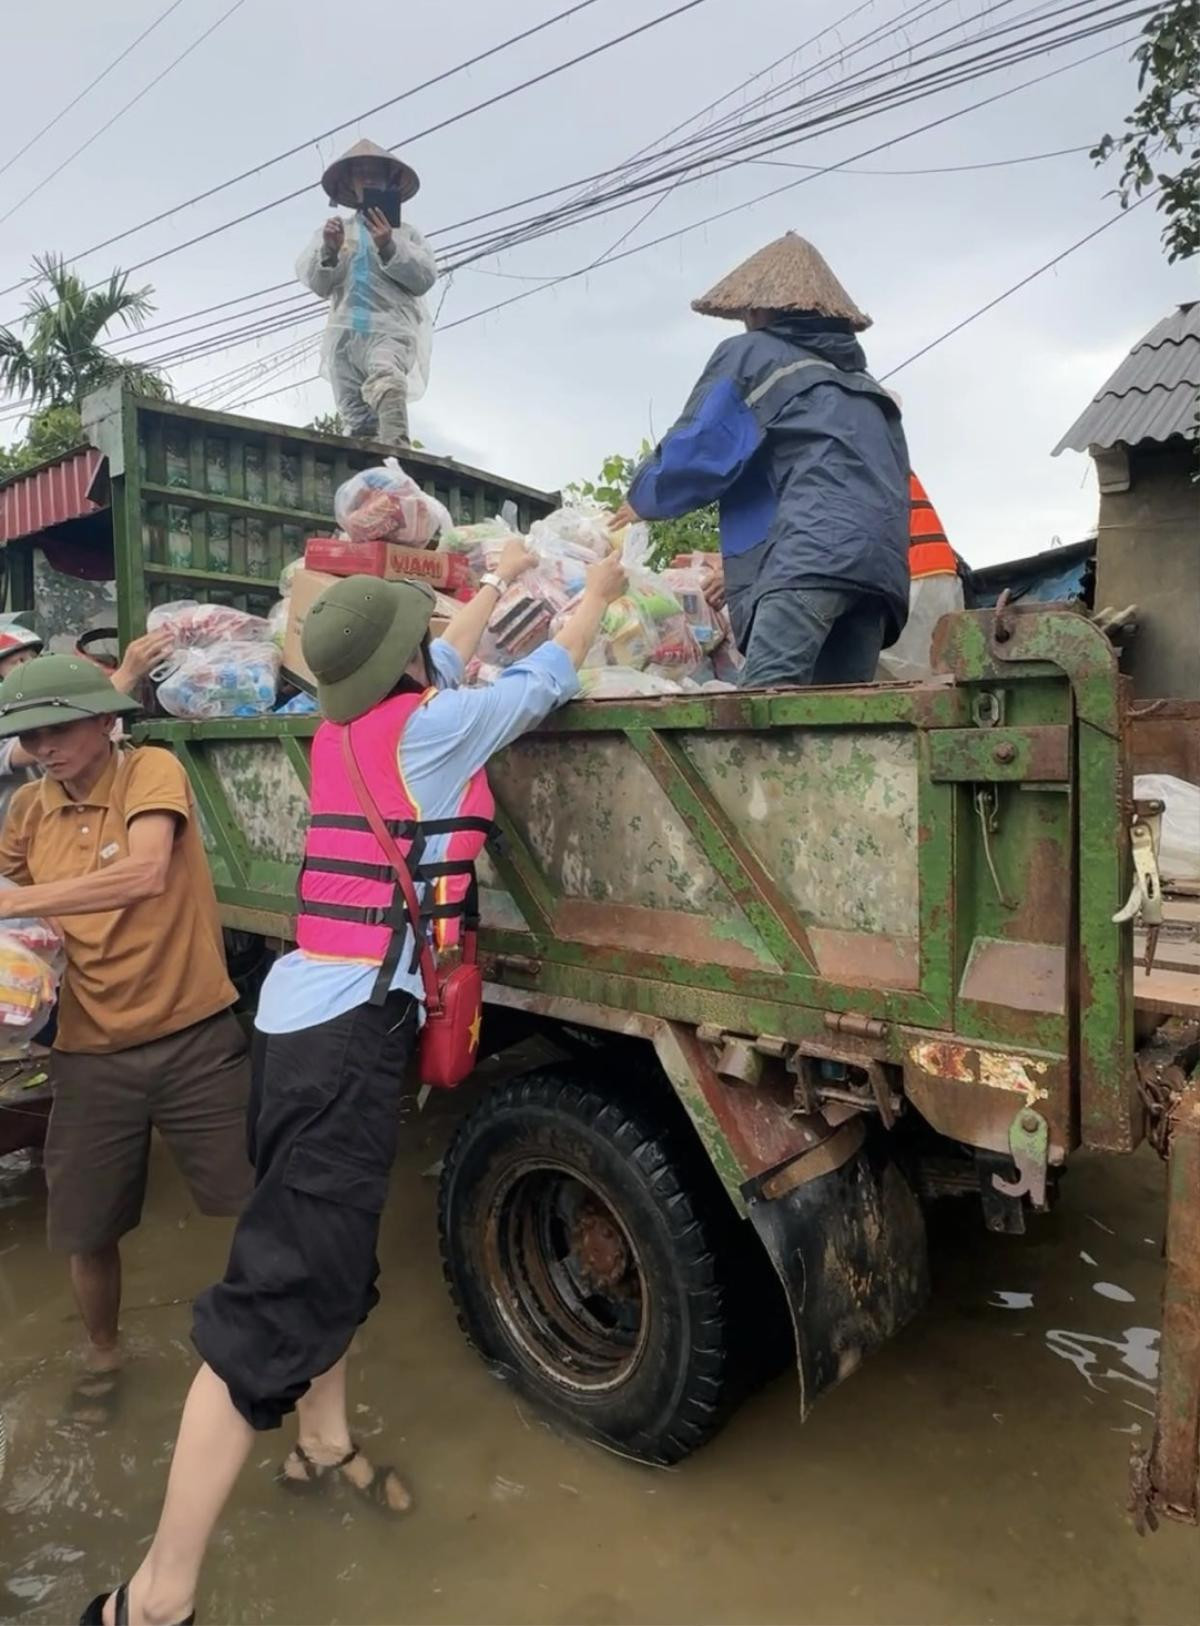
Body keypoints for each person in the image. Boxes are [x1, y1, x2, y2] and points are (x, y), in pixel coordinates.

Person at [81, 541, 630, 1626]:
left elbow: (444, 655)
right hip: (342, 1041)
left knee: (331, 1246)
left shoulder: (342, 730)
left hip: (300, 1025)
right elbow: (544, 679)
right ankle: (153, 1598)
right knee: (275, 1301)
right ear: (409, 665)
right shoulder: (431, 732)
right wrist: (598, 593)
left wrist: (480, 596)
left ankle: (322, 1447)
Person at [0, 655, 253, 1428]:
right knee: (86, 1227)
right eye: (32, 735)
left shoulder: (150, 771)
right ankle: (104, 1354)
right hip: (87, 1049)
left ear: (104, 720)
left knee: (255, 1206)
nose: (46, 747)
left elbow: (145, 874)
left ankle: (264, 1344)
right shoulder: (28, 812)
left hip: (194, 1033)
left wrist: (21, 899)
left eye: (60, 729)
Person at [610, 231, 910, 690]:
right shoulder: (864, 386)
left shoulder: (754, 355)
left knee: (762, 718)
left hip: (809, 560)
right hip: (880, 578)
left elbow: (701, 450)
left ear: (759, 309)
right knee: (840, 722)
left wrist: (645, 496)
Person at [297, 138, 436, 446]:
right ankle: (367, 478)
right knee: (356, 416)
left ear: (388, 181)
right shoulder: (337, 231)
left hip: (389, 330)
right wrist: (329, 251)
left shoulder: (406, 234)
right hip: (345, 334)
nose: (367, 178)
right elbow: (319, 284)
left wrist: (388, 244)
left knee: (387, 379)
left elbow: (424, 277)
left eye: (374, 172)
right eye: (360, 173)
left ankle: (397, 453)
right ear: (351, 183)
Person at [0, 623, 171, 831]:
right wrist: (127, 673)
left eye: (30, 659)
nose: (28, 668)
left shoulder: (153, 766)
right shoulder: (26, 797)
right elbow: (43, 727)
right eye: (17, 662)